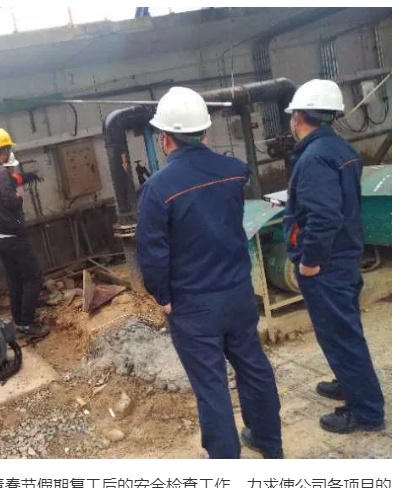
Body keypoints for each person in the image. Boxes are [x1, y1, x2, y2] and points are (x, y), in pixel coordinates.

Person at [136, 87, 283, 459]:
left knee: (211, 385)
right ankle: (269, 442)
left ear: (164, 138)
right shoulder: (234, 172)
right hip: (237, 292)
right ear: (204, 132)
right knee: (253, 366)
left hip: (193, 304)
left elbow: (152, 254)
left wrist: (163, 297)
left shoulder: (158, 188)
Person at [284, 78, 385, 434]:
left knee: (341, 336)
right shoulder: (341, 149)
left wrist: (310, 261)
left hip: (326, 264)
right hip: (345, 254)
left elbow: (324, 216)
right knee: (345, 329)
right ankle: (349, 383)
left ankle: (366, 412)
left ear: (298, 117)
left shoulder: (313, 158)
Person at [0, 129, 49, 340]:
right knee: (33, 277)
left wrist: (28, 178)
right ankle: (27, 322)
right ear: (5, 149)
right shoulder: (0, 173)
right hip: (13, 235)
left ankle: (19, 321)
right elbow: (10, 200)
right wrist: (19, 197)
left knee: (14, 279)